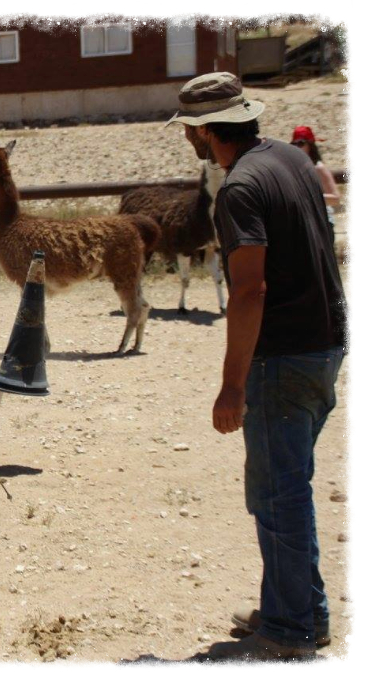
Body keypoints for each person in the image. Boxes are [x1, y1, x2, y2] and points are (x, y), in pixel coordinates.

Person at [167, 73, 346, 660]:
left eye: (191, 127)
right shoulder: (291, 159)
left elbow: (248, 291)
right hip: (324, 343)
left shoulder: (239, 188)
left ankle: (290, 631)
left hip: (283, 355)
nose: (189, 137)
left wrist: (232, 385)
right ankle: (300, 610)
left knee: (277, 493)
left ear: (204, 130)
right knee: (286, 484)